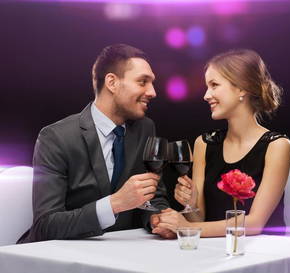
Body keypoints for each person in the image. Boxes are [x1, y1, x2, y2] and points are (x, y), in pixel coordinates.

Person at [18, 44, 174, 243]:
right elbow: (46, 225)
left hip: (122, 254)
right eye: (143, 82)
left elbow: (153, 196)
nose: (152, 92)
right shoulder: (56, 137)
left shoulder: (145, 128)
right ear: (112, 82)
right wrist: (114, 204)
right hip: (60, 259)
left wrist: (157, 219)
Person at [152, 49, 290, 237]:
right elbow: (199, 218)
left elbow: (254, 224)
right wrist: (191, 204)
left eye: (214, 85)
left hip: (262, 254)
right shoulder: (204, 143)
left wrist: (186, 228)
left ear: (242, 88)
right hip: (215, 252)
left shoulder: (277, 146)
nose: (206, 95)